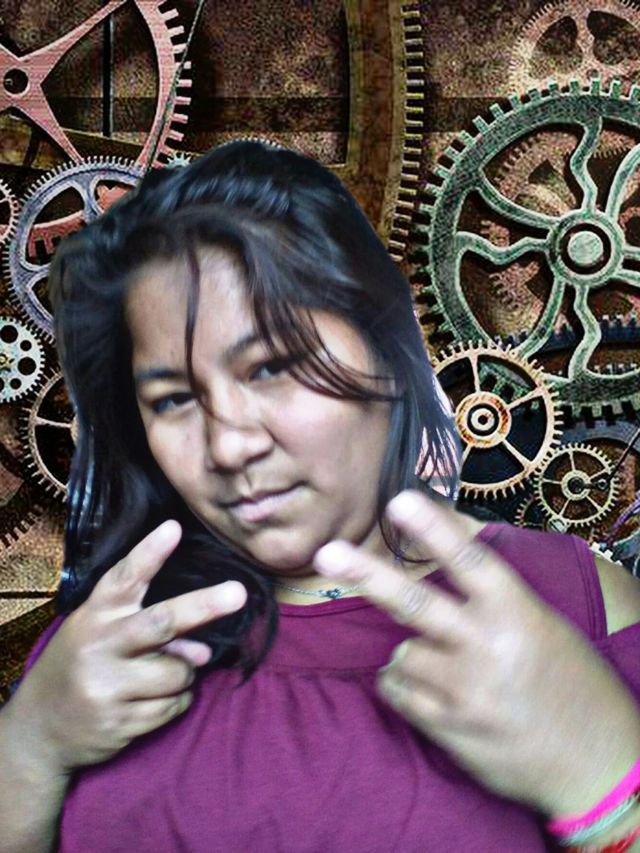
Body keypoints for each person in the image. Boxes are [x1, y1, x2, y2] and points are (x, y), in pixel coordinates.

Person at [1, 140, 640, 853]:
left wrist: (602, 780)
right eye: (174, 399)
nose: (228, 445)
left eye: (271, 366)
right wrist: (29, 745)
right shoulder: (107, 642)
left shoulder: (583, 602)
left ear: (389, 351)